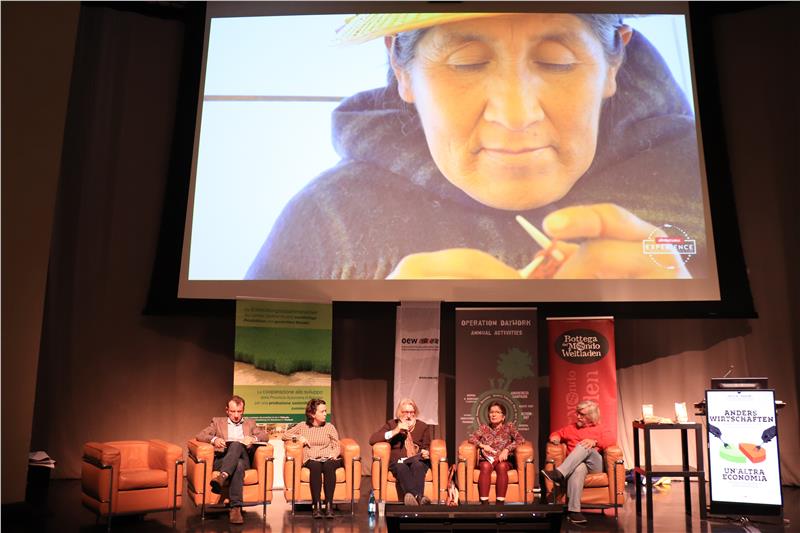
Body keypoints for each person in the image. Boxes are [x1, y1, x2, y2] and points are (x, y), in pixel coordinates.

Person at [246, 12, 705, 281]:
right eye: (466, 62)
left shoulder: (701, 182)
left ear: (613, 62)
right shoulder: (329, 220)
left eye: (556, 61)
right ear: (401, 69)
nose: (516, 115)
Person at [196, 395, 268, 524]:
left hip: (244, 458)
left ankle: (222, 476)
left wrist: (253, 438)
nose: (236, 415)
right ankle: (236, 509)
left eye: (239, 411)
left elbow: (265, 435)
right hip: (223, 459)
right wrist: (214, 439)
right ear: (227, 410)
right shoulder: (217, 422)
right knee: (237, 465)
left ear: (243, 411)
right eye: (233, 411)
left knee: (236, 445)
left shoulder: (250, 423)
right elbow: (201, 435)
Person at [542, 400, 613, 525]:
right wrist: (555, 438)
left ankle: (559, 473)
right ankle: (574, 511)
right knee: (578, 468)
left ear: (591, 416)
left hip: (594, 465)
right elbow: (556, 433)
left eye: (582, 414)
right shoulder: (571, 428)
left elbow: (611, 440)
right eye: (577, 413)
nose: (578, 416)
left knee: (584, 445)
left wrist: (594, 442)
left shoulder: (601, 428)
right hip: (576, 466)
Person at [282, 398, 342, 518]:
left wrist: (334, 454)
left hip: (328, 457)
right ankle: (317, 505)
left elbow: (337, 445)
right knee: (315, 466)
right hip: (311, 458)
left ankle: (329, 505)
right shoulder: (302, 426)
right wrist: (298, 437)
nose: (325, 414)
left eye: (325, 411)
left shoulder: (329, 427)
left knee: (329, 466)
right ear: (312, 414)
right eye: (322, 411)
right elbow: (285, 435)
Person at [369, 398, 432, 505]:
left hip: (418, 460)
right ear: (399, 413)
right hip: (398, 462)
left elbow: (426, 446)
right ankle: (419, 498)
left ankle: (413, 497)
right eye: (405, 412)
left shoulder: (422, 426)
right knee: (401, 466)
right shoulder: (392, 424)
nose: (409, 415)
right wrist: (396, 431)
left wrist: (426, 452)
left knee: (417, 465)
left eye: (411, 412)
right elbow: (372, 439)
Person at [467, 401, 525, 504]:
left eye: (497, 412)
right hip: (487, 459)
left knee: (502, 467)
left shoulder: (509, 427)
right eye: (491, 412)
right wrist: (483, 446)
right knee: (485, 466)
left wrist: (507, 449)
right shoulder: (484, 428)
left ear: (503, 417)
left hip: (503, 460)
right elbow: (472, 438)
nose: (493, 415)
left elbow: (520, 439)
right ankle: (484, 503)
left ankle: (500, 502)